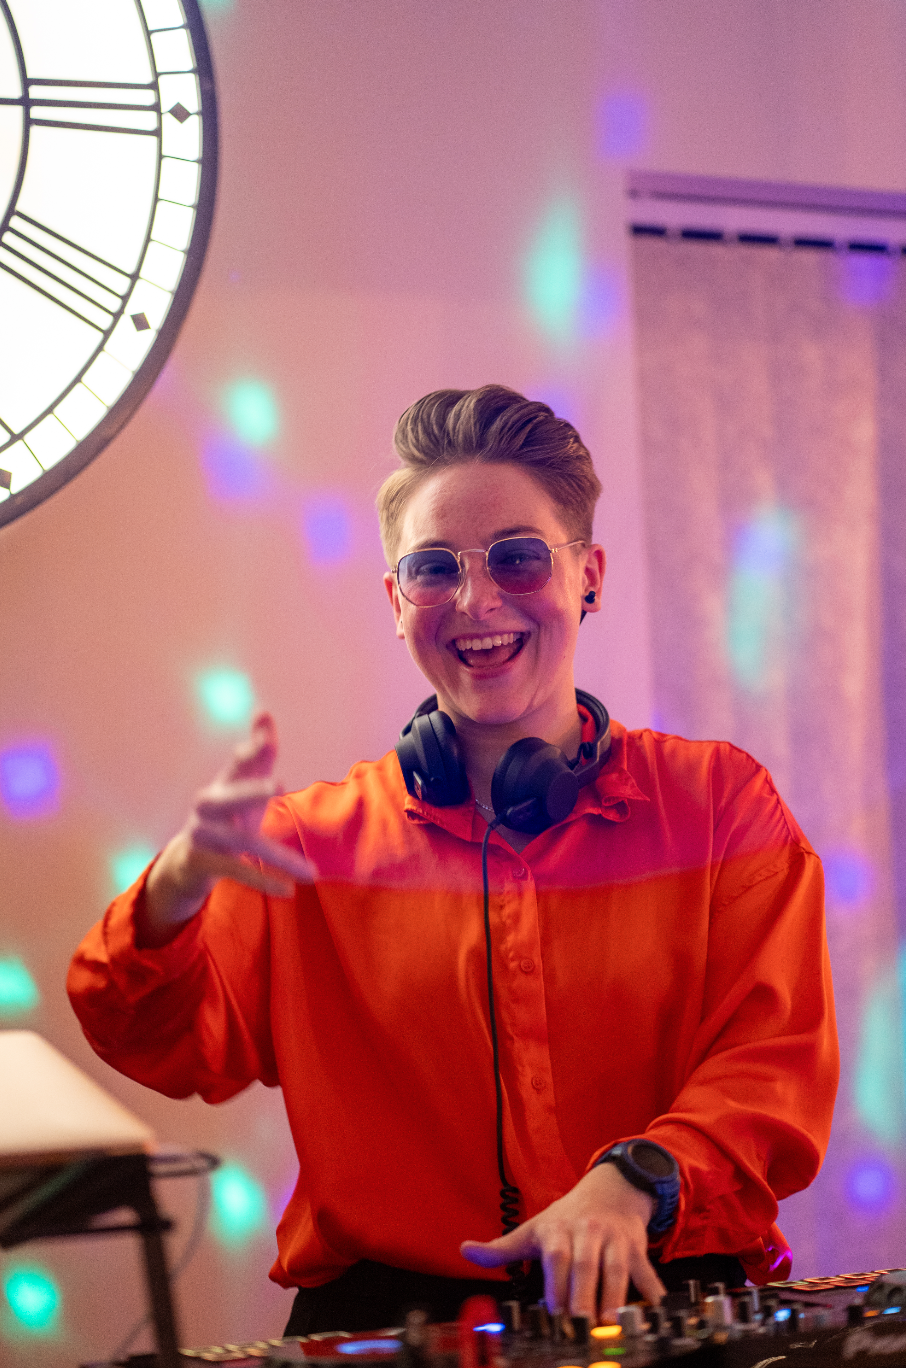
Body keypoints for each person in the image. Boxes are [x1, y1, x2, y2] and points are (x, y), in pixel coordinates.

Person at [68, 386, 838, 1335]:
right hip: (388, 1321)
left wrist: (640, 1179)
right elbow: (156, 1035)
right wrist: (177, 887)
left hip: (665, 1292)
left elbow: (774, 1067)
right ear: (397, 601)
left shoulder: (721, 805)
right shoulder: (304, 846)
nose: (478, 601)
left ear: (589, 575)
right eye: (434, 570)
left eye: (517, 557)